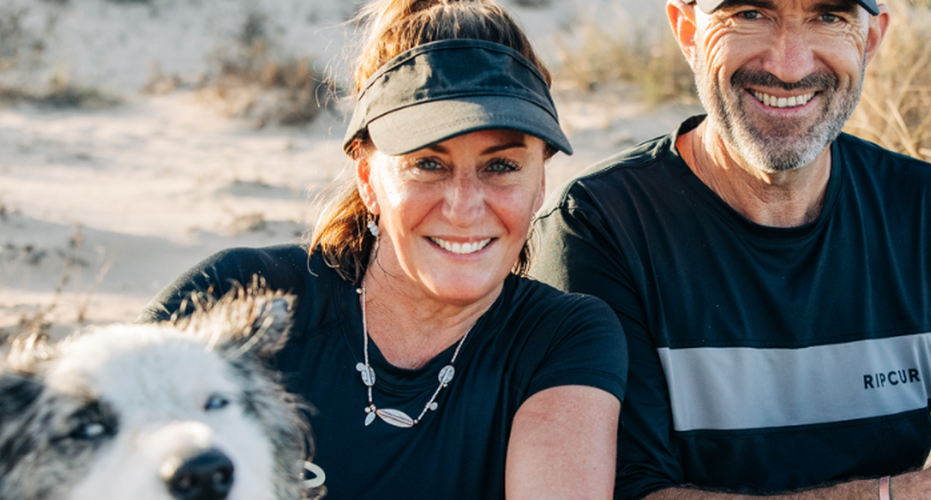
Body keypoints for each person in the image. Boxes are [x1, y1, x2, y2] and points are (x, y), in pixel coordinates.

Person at [529, 0, 931, 498]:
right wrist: (907, 493)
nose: (789, 65)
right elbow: (624, 492)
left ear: (870, 40)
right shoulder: (600, 228)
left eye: (828, 16)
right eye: (751, 13)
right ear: (688, 30)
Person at [141, 1, 626, 497]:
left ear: (540, 184)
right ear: (369, 178)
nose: (463, 207)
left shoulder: (563, 339)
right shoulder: (242, 300)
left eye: (500, 166)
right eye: (427, 164)